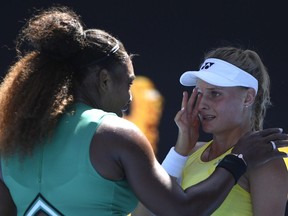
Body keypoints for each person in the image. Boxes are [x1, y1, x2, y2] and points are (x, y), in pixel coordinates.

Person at [0, 6, 287, 216]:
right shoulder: (119, 135)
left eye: (215, 93)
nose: (129, 96)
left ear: (249, 97)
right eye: (128, 84)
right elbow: (163, 210)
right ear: (103, 80)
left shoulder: (13, 137)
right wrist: (228, 158)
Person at [161, 46, 288, 215]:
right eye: (199, 93)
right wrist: (180, 151)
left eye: (215, 93)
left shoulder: (264, 162)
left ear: (248, 98)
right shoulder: (190, 151)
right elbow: (147, 211)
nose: (202, 104)